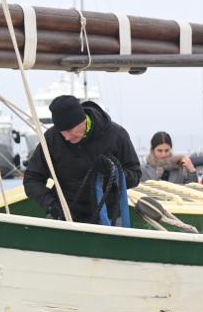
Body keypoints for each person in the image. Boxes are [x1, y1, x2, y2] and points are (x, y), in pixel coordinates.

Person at [22, 95, 141, 226]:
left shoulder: (116, 135)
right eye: (62, 132)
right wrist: (51, 205)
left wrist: (112, 173)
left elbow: (135, 175)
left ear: (83, 120)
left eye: (69, 130)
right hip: (65, 215)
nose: (67, 137)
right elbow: (31, 179)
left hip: (109, 216)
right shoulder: (52, 139)